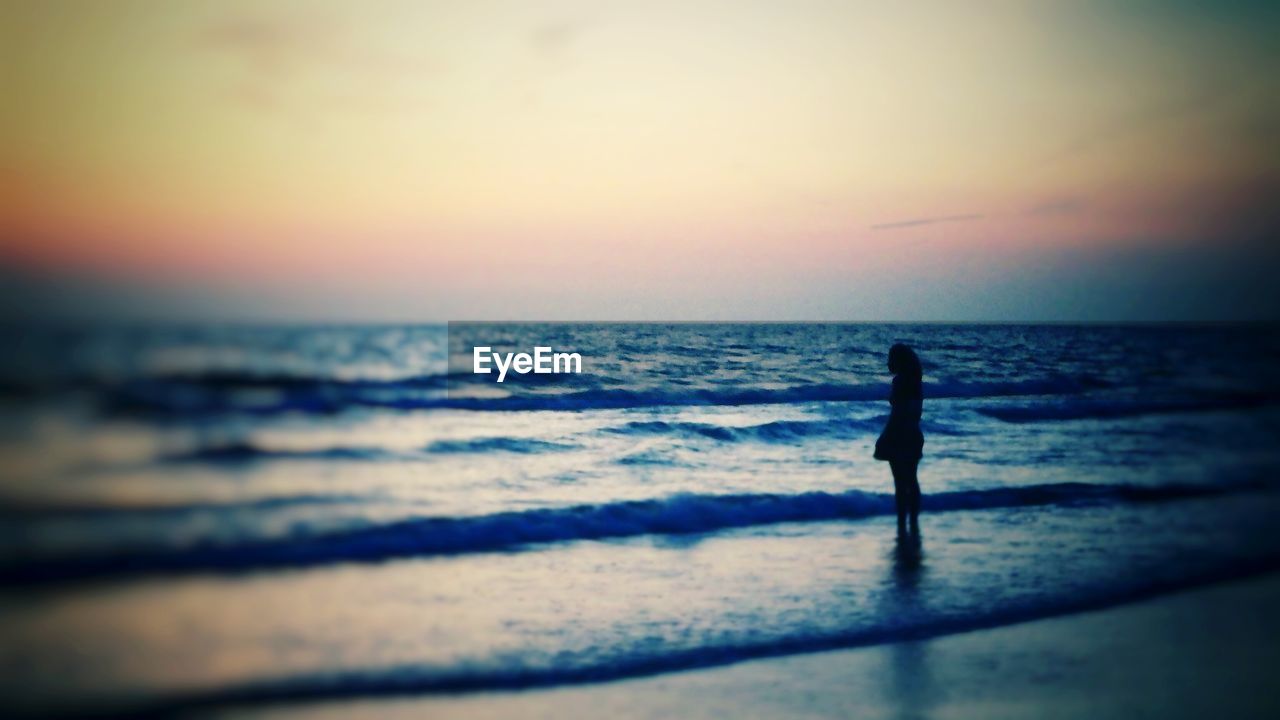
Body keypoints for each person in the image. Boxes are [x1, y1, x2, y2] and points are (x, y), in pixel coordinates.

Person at [875, 343, 924, 531]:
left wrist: (885, 436)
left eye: (890, 359)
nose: (888, 363)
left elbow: (897, 413)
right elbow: (915, 411)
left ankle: (902, 523)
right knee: (912, 479)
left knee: (900, 482)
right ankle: (913, 522)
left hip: (899, 435)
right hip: (914, 433)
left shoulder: (900, 382)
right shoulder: (915, 381)